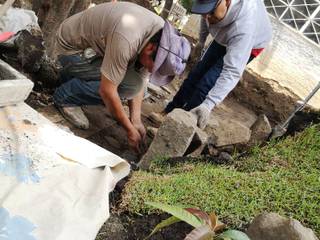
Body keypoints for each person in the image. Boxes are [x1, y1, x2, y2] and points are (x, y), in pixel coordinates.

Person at [52, 2, 191, 153]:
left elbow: (141, 79)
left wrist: (136, 121)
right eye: (154, 67)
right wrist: (129, 129)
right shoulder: (127, 37)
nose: (152, 71)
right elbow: (107, 91)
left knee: (137, 87)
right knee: (127, 87)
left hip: (95, 48)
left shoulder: (161, 36)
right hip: (69, 51)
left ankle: (71, 79)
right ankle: (66, 96)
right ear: (151, 49)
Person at [165, 0, 272, 129]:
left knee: (207, 82)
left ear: (226, 1)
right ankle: (169, 111)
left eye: (211, 12)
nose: (207, 17)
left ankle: (181, 125)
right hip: (226, 30)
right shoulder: (213, 10)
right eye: (205, 12)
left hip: (253, 42)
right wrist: (201, 41)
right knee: (197, 73)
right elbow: (205, 17)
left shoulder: (244, 29)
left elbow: (232, 71)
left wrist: (208, 104)